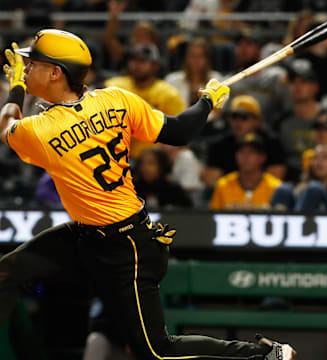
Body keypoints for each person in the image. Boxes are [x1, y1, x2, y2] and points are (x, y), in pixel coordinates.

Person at [0, 29, 295, 360]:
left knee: (154, 351)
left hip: (126, 248)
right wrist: (207, 101)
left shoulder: (41, 131)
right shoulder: (117, 99)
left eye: (33, 63)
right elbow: (179, 131)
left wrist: (16, 88)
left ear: (56, 73)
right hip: (88, 237)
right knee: (7, 274)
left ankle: (264, 356)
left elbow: (6, 123)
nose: (24, 68)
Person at [104, 43, 186, 159]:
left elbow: (179, 131)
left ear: (155, 66)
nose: (137, 65)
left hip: (154, 159)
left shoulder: (168, 93)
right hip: (114, 152)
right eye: (134, 60)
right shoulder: (113, 86)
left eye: (142, 61)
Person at [203, 95, 286, 191]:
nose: (238, 122)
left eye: (244, 117)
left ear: (257, 121)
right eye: (234, 117)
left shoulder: (272, 143)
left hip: (265, 197)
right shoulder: (220, 145)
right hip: (229, 197)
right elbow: (211, 180)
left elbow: (276, 177)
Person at [210, 133, 289, 210]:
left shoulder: (276, 188)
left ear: (262, 157)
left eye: (252, 152)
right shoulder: (223, 185)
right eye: (242, 152)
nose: (246, 156)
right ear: (236, 156)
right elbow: (212, 218)